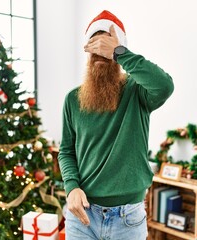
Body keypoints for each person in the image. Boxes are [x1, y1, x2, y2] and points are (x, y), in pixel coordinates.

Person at [58, 10, 174, 239]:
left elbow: (164, 86)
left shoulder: (138, 91)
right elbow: (66, 151)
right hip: (83, 217)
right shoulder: (73, 99)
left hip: (128, 219)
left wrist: (119, 52)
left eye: (107, 47)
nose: (100, 54)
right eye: (95, 46)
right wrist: (71, 187)